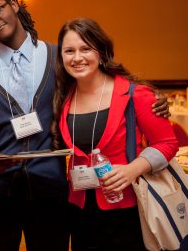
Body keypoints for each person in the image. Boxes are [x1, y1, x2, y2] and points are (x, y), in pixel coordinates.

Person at [0, 0, 169, 251]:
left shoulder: (58, 57)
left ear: (14, 4)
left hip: (51, 189)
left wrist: (149, 96)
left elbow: (99, 80)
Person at [52, 17, 178, 251]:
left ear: (101, 51)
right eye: (69, 51)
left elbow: (167, 143)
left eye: (85, 49)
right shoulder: (63, 96)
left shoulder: (135, 94)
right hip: (80, 209)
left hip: (128, 206)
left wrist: (134, 169)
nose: (77, 57)